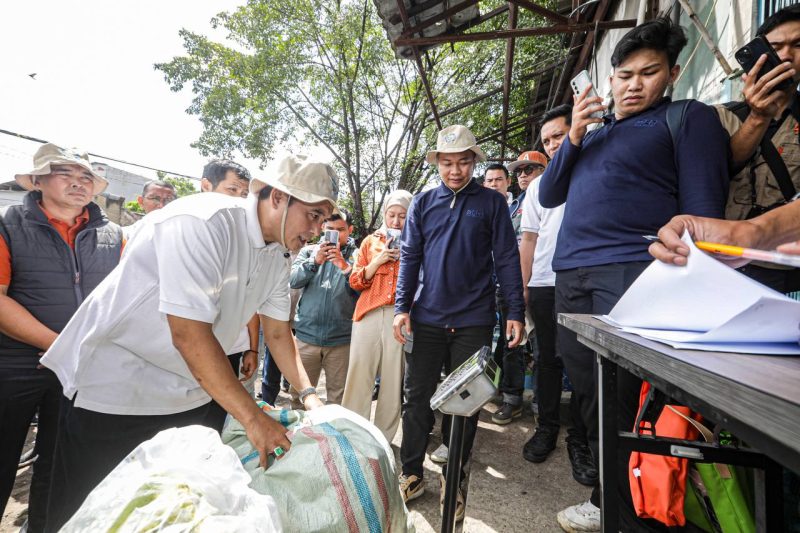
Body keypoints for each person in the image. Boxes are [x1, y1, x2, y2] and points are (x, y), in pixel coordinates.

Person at [40, 154, 336, 531]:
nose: (317, 230)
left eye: (323, 219)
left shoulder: (279, 255)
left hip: (193, 395)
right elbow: (188, 333)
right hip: (118, 392)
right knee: (92, 513)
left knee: (170, 513)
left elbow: (278, 332)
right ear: (277, 197)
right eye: (313, 215)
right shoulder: (202, 222)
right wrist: (253, 419)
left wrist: (311, 396)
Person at [538, 18, 730, 531]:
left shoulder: (687, 118)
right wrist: (575, 134)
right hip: (571, 275)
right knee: (589, 397)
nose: (634, 84)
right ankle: (610, 503)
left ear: (672, 74)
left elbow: (703, 214)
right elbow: (549, 193)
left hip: (633, 271)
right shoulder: (594, 136)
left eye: (649, 73)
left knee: (627, 402)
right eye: (624, 75)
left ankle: (634, 516)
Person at [393, 125, 525, 521]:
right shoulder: (422, 202)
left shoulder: (491, 203)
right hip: (427, 318)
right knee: (416, 398)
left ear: (474, 162)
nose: (455, 170)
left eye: (463, 161)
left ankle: (455, 477)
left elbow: (505, 258)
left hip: (474, 319)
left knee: (466, 404)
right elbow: (410, 256)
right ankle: (411, 472)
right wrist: (402, 306)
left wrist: (515, 311)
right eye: (447, 162)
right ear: (437, 163)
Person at [0, 143, 123, 533]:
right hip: (15, 365)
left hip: (80, 367)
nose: (78, 183)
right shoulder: (8, 225)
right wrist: (58, 344)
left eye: (86, 177)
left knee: (60, 464)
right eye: (65, 174)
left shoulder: (114, 235)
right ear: (37, 181)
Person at [518, 108, 597, 488]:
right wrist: (523, 284)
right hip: (546, 283)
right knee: (547, 359)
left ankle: (581, 440)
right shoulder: (538, 186)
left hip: (587, 279)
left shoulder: (593, 169)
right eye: (547, 140)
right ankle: (546, 427)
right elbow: (529, 239)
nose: (553, 145)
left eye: (558, 136)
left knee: (585, 362)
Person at [715, 5, 800, 292]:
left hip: (785, 262)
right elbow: (720, 169)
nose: (787, 55)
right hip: (727, 257)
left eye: (798, 45)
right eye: (776, 47)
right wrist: (757, 117)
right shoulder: (722, 115)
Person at [342, 189, 413, 443]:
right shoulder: (370, 242)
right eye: (391, 215)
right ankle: (352, 433)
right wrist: (378, 261)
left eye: (402, 216)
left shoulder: (418, 242)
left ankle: (382, 439)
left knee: (394, 380)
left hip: (400, 317)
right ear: (385, 214)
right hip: (367, 315)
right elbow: (355, 281)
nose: (395, 221)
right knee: (359, 374)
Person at [199, 159, 261, 428]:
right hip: (194, 349)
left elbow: (251, 303)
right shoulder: (190, 230)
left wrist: (251, 348)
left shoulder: (247, 239)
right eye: (232, 190)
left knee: (216, 423)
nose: (238, 200)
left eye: (244, 195)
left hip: (231, 348)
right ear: (205, 186)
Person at [289, 210, 358, 407]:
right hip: (306, 337)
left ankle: (334, 438)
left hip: (342, 341)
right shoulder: (308, 252)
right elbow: (293, 282)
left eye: (340, 230)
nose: (335, 234)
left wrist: (344, 266)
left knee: (339, 400)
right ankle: (298, 436)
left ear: (350, 230)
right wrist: (315, 261)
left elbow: (362, 291)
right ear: (322, 229)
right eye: (330, 229)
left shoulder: (358, 255)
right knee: (299, 396)